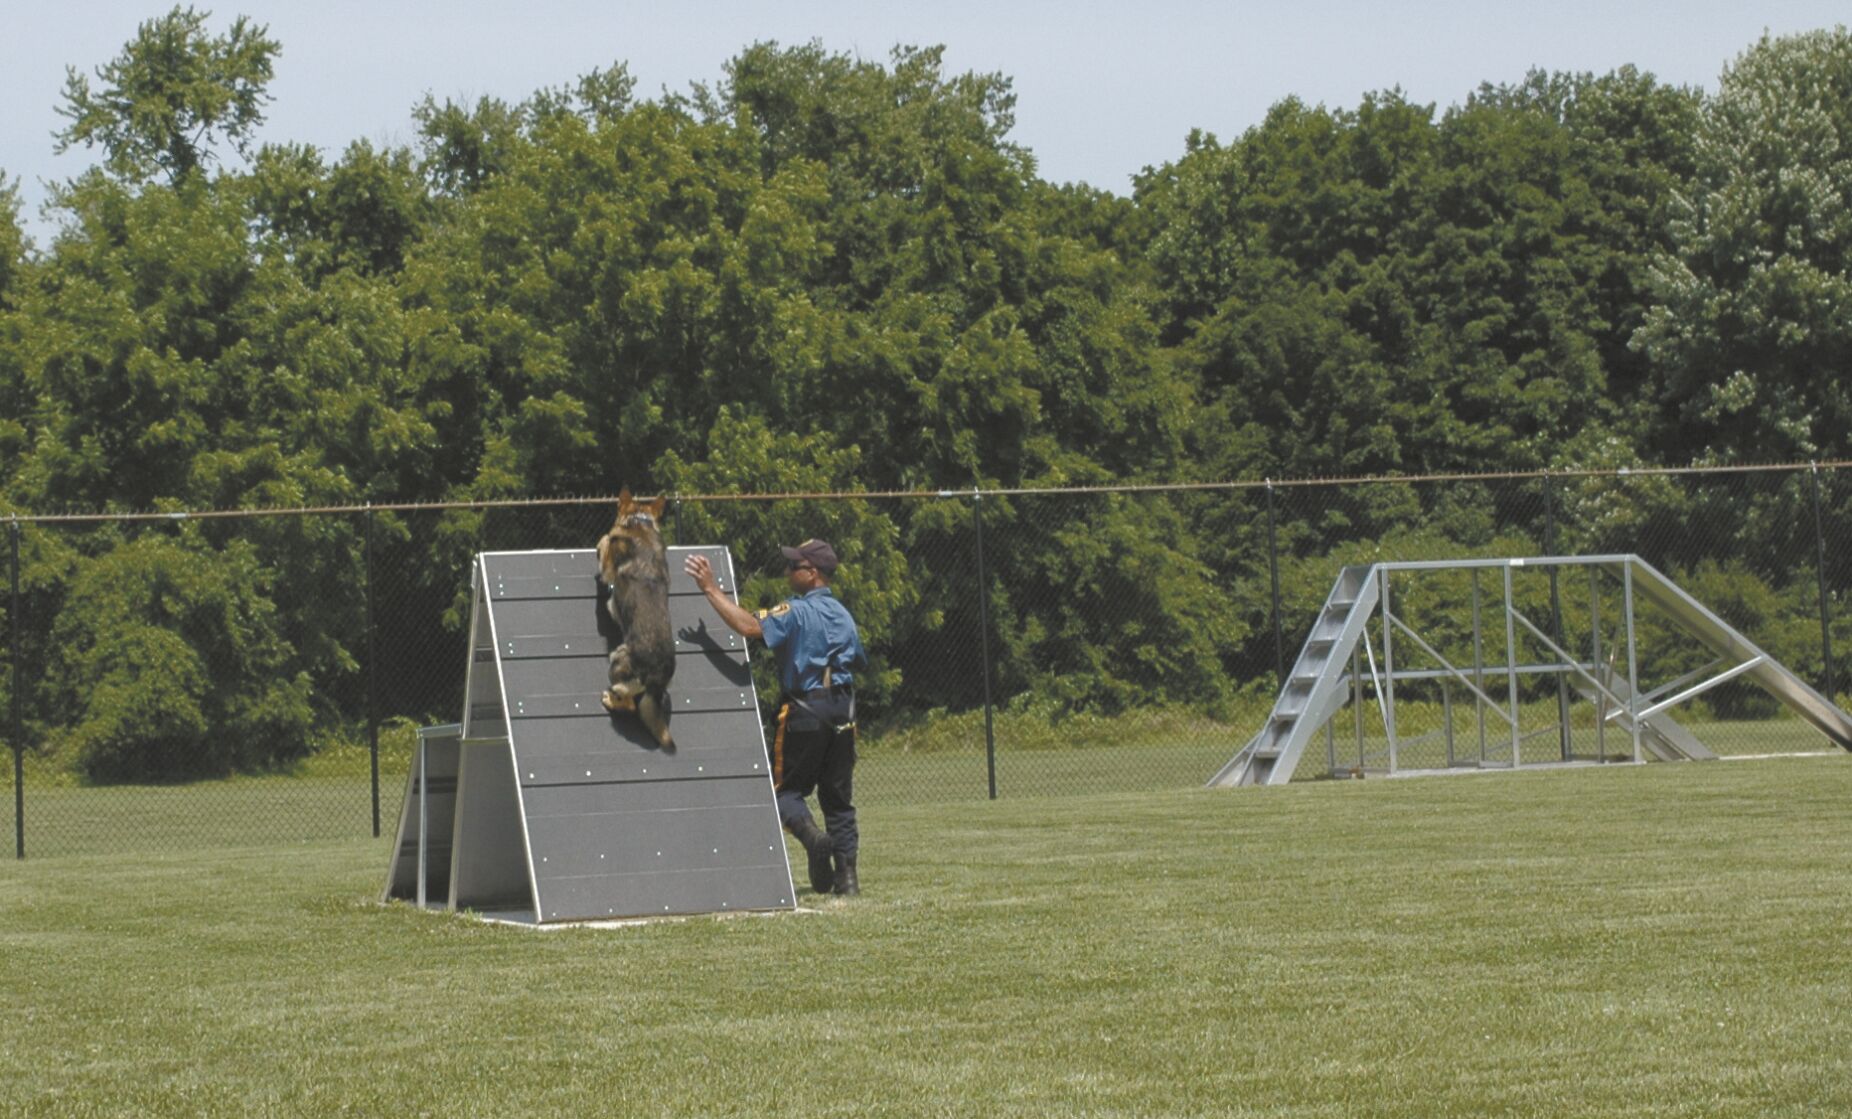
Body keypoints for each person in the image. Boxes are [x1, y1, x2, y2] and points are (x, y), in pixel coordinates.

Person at [684, 538, 866, 896]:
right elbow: (858, 660)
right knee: (838, 798)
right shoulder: (845, 615)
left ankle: (813, 839)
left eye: (794, 566)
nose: (787, 571)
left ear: (812, 573)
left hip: (805, 708)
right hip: (844, 708)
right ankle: (847, 880)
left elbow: (750, 627)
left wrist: (710, 589)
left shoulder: (796, 611)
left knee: (784, 792)